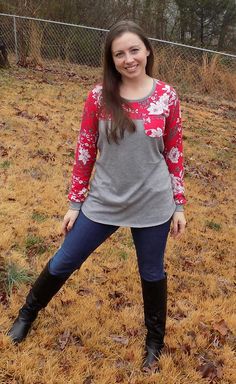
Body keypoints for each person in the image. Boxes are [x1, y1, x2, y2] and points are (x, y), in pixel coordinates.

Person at [8, 20, 187, 371]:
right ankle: (27, 314)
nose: (128, 58)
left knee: (151, 273)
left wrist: (179, 204)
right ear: (111, 59)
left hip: (153, 201)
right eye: (119, 53)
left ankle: (154, 342)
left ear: (148, 50)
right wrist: (75, 202)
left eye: (134, 50)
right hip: (104, 200)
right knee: (64, 260)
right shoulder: (98, 97)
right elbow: (85, 151)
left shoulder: (167, 96)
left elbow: (174, 151)